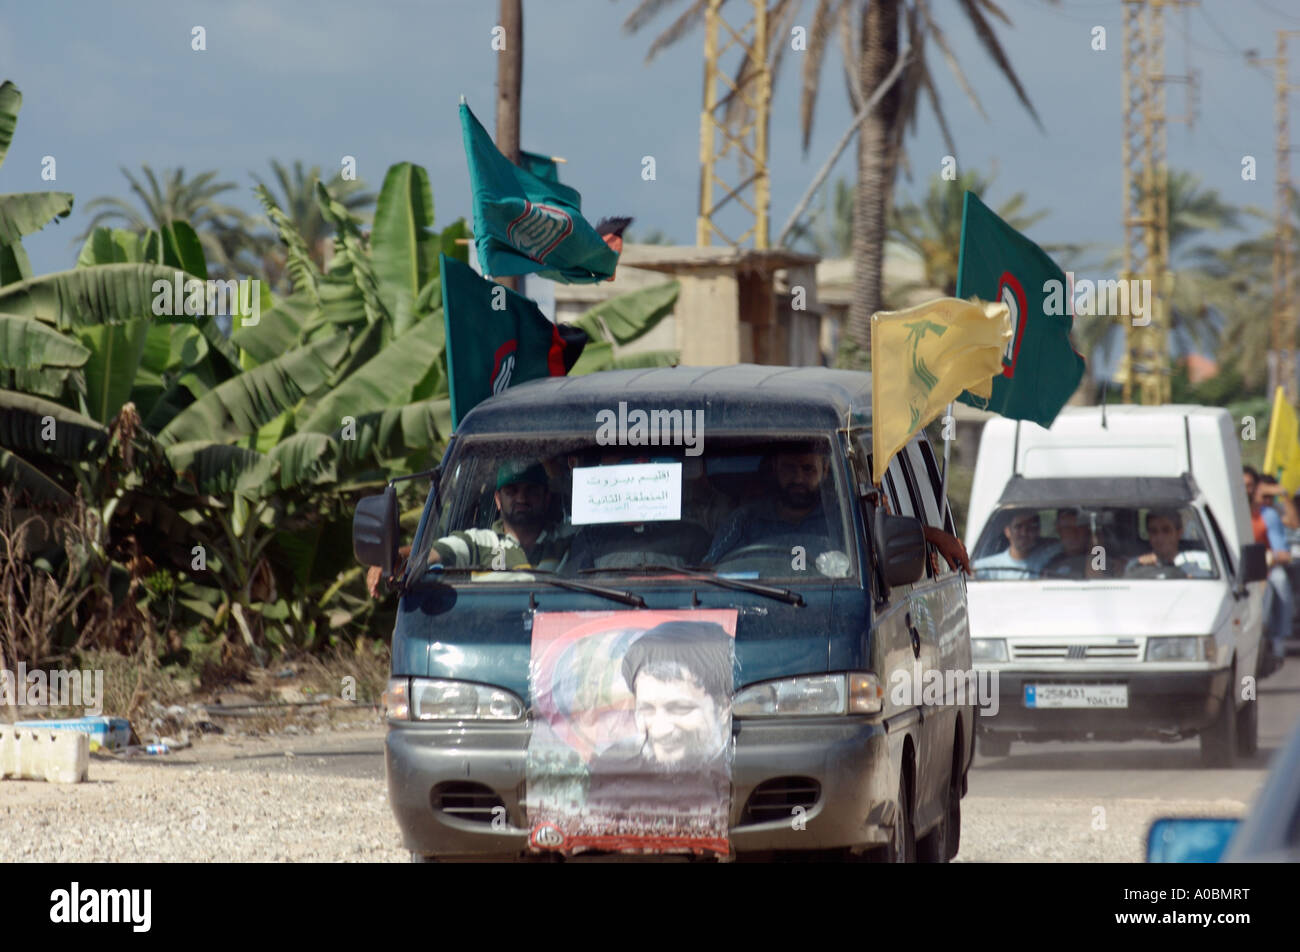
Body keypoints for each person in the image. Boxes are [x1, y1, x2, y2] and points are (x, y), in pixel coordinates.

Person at [585, 620, 732, 816]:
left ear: (722, 708)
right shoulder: (612, 767)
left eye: (679, 709)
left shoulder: (749, 765)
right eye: (647, 709)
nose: (661, 730)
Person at [366, 461, 570, 596]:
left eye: (531, 490)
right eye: (512, 490)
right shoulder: (478, 542)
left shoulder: (569, 539)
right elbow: (429, 554)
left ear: (546, 498)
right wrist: (394, 559)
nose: (521, 498)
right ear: (498, 500)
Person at [1244, 467, 1293, 669]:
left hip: (1265, 569)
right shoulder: (1223, 513)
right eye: (1242, 486)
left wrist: (1268, 557)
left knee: (1279, 581)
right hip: (1235, 569)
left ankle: (1277, 638)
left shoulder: (1268, 516)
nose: (1245, 491)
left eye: (1249, 486)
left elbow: (1282, 552)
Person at [1124, 509, 1213, 578]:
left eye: (1166, 531)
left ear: (1179, 533)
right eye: (1154, 531)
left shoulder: (1198, 563)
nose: (1160, 537)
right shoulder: (1137, 564)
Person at [973, 510, 1056, 579]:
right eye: (1018, 527)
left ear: (1038, 531)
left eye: (1030, 527)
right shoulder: (987, 567)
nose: (1024, 533)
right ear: (1007, 531)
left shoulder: (1048, 560)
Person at [1042, 507, 1104, 578]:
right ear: (1058, 529)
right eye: (1067, 528)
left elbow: (1096, 583)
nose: (1073, 533)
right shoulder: (1051, 564)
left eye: (1079, 527)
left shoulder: (1103, 559)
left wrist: (1094, 547)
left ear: (1087, 530)